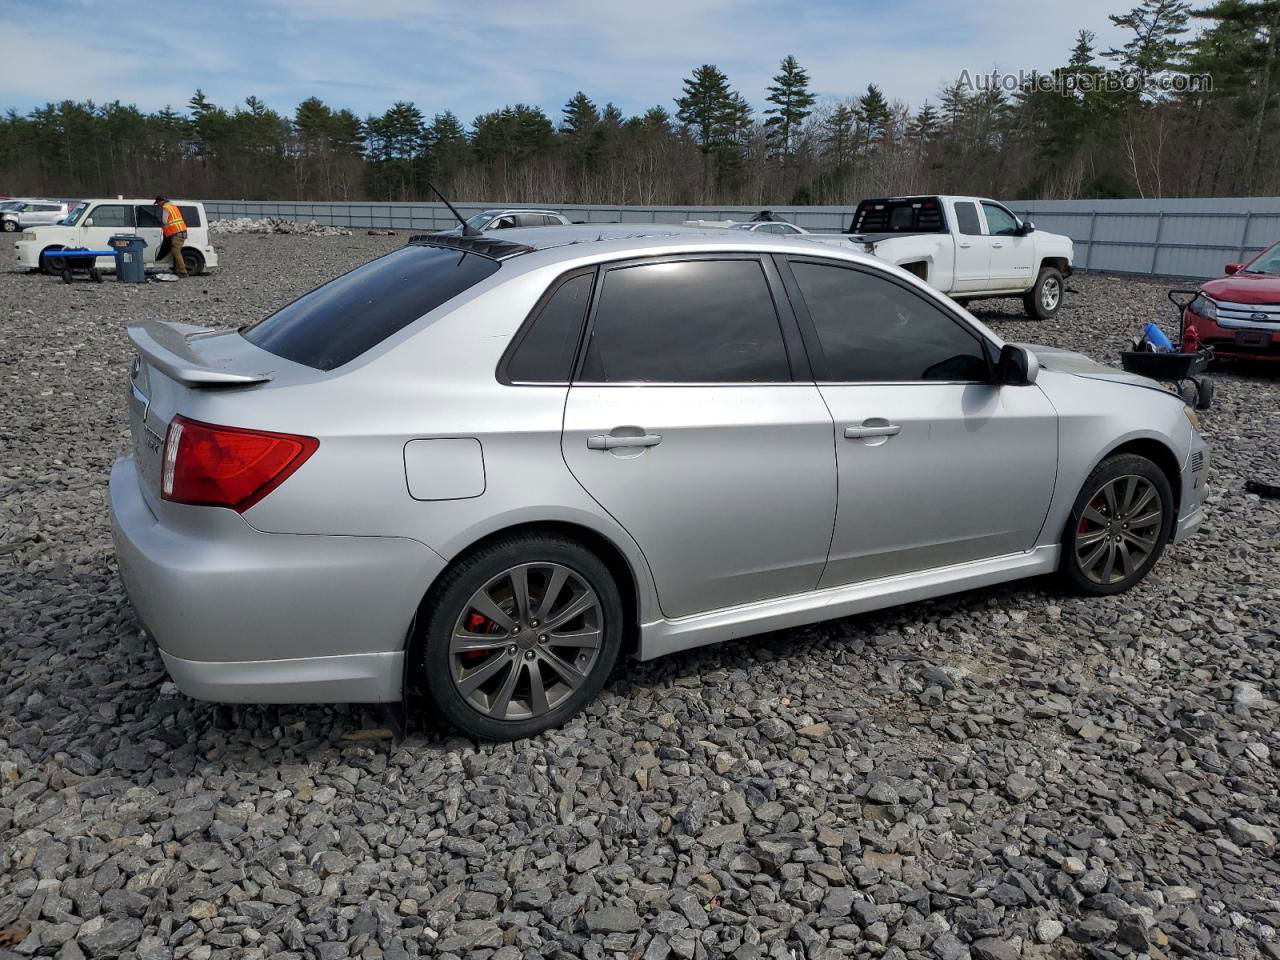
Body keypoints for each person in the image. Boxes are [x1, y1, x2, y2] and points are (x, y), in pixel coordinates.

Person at [154, 196, 188, 277]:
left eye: (158, 203)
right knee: (175, 252)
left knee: (176, 252)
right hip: (180, 232)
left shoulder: (165, 208)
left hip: (177, 233)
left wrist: (158, 221)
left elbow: (164, 221)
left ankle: (183, 271)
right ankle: (178, 270)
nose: (158, 205)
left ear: (160, 201)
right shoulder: (172, 206)